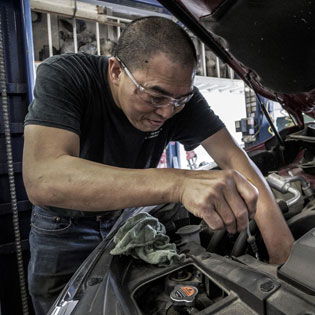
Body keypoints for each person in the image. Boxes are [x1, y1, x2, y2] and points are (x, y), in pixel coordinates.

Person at [22, 16, 294, 315]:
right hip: (64, 229)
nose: (167, 112)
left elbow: (233, 158)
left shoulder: (178, 100)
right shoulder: (67, 76)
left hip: (126, 221)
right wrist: (178, 183)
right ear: (115, 71)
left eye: (180, 100)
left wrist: (283, 255)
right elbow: (44, 178)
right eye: (155, 97)